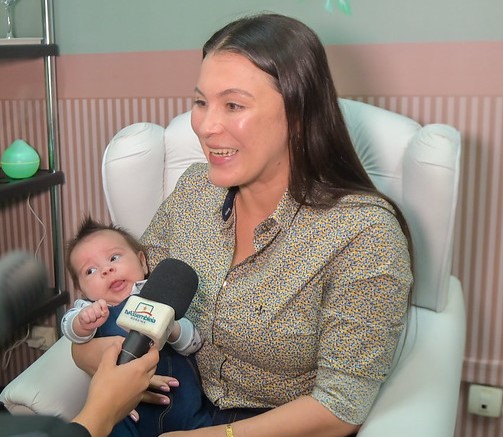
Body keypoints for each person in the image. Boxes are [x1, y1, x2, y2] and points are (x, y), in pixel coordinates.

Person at [73, 13, 413, 437]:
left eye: (233, 105)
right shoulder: (195, 191)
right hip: (172, 405)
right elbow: (138, 297)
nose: (206, 125)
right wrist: (96, 360)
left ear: (298, 114)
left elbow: (340, 407)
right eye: (200, 102)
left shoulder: (363, 234)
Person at [63, 217, 209, 436]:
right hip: (126, 414)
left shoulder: (161, 294)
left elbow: (194, 343)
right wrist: (82, 322)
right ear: (82, 290)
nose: (106, 270)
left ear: (142, 262)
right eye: (90, 271)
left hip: (184, 406)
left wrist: (173, 327)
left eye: (114, 257)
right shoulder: (93, 309)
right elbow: (69, 328)